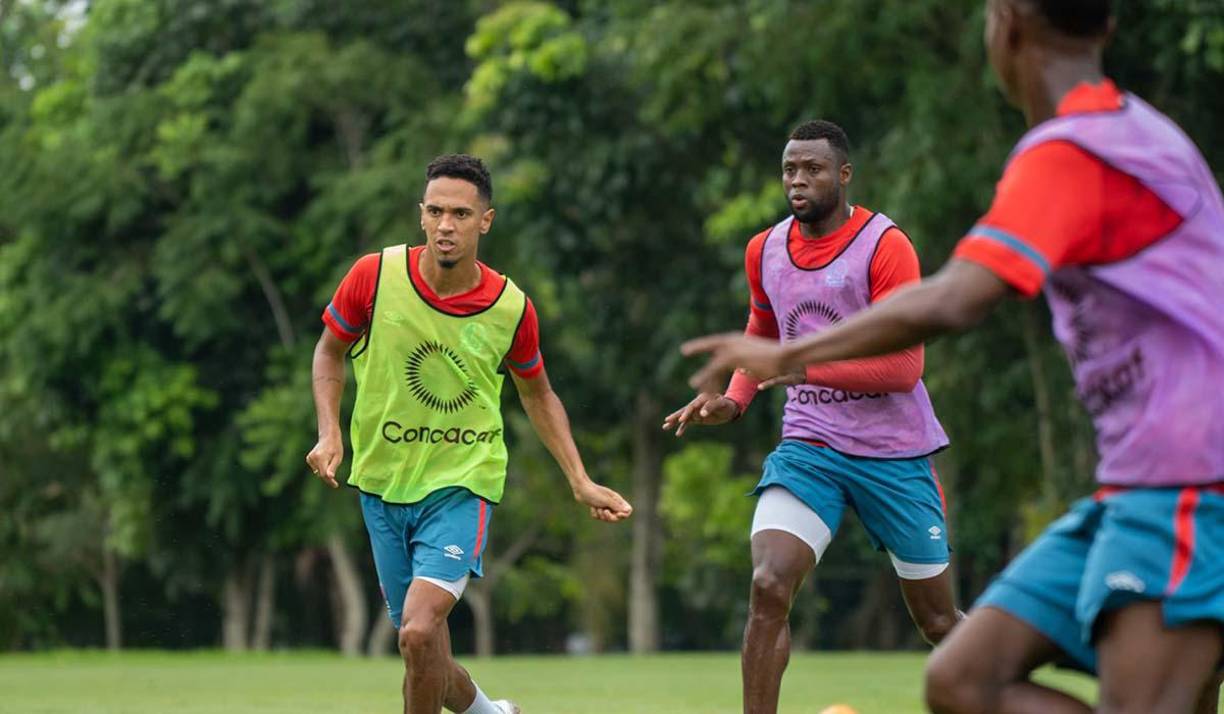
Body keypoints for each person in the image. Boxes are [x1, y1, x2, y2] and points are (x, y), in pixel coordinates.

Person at [682, 1, 1224, 712]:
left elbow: (956, 298)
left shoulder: (1078, 149)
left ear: (1006, 21)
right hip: (1135, 490)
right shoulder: (1138, 135)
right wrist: (752, 381)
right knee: (962, 679)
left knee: (969, 643)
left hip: (1192, 486)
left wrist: (789, 356)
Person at [307, 154, 632, 714]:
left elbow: (538, 394)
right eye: (435, 211)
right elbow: (329, 352)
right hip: (382, 485)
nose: (445, 225)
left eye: (460, 213)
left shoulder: (511, 307)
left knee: (416, 632)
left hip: (463, 483)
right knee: (423, 648)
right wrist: (329, 432)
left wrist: (580, 479)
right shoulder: (373, 276)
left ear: (486, 221)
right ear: (421, 215)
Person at [664, 120, 962, 714]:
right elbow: (764, 332)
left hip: (894, 453)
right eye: (789, 170)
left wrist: (804, 370)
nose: (798, 181)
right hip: (811, 447)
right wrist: (735, 399)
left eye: (813, 169)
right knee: (768, 584)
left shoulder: (885, 245)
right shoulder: (765, 249)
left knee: (937, 621)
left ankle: (1001, 685)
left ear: (844, 175)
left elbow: (905, 367)